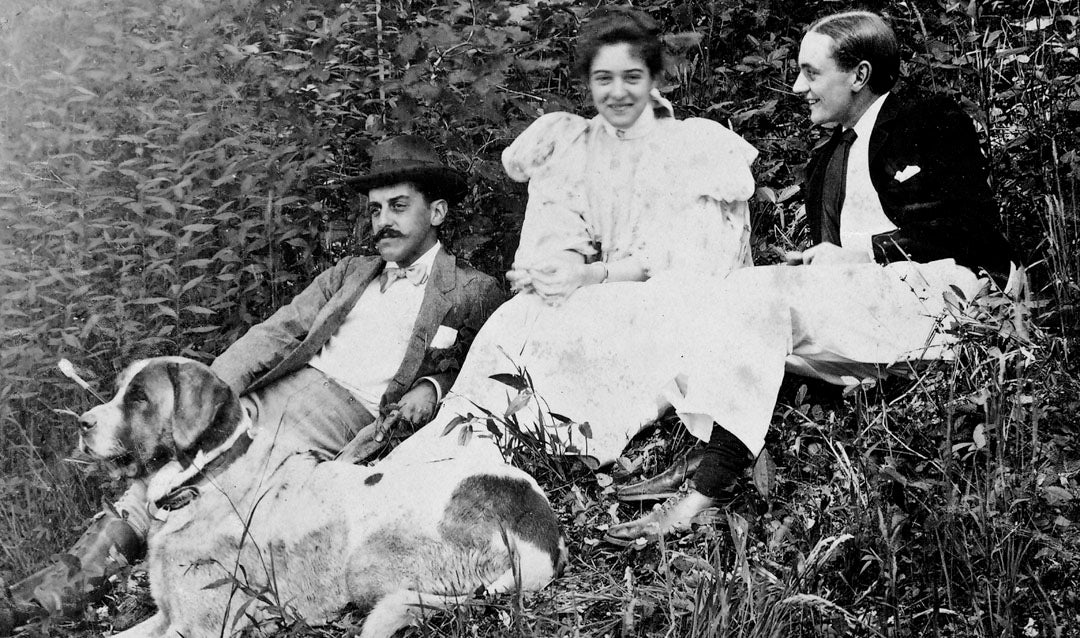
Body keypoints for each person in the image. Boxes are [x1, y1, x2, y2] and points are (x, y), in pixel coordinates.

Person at [0, 135, 504, 630]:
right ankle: (47, 598)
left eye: (398, 206)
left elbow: (479, 363)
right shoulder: (350, 273)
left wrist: (432, 387)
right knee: (167, 468)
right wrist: (210, 396)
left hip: (342, 416)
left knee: (206, 487)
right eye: (375, 210)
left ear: (436, 213)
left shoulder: (471, 291)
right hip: (272, 393)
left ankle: (168, 598)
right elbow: (277, 332)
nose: (383, 222)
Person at [602, 10, 1017, 545]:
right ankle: (707, 447)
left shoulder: (925, 118)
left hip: (939, 294)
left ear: (859, 75)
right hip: (875, 299)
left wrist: (861, 252)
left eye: (810, 73)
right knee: (710, 294)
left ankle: (707, 490)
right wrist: (822, 263)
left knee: (756, 296)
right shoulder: (831, 155)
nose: (798, 87)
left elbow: (969, 228)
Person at [379, 8, 758, 490]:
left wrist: (590, 277)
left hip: (659, 295)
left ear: (653, 78)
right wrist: (554, 271)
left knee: (586, 327)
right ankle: (460, 448)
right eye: (603, 79)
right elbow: (562, 234)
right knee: (516, 320)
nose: (617, 93)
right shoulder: (577, 144)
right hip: (597, 281)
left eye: (631, 77)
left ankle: (557, 445)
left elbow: (668, 265)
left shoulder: (688, 150)